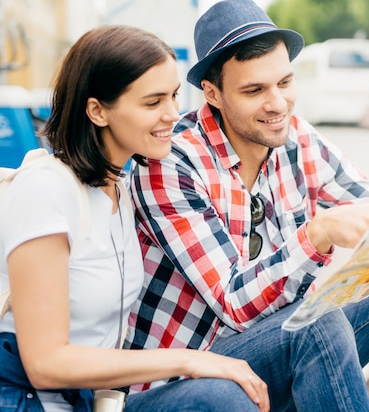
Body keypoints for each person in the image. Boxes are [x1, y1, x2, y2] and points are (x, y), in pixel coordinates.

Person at [126, 0, 369, 411]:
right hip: (182, 380)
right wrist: (317, 233)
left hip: (280, 353)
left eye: (284, 83)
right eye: (254, 90)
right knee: (315, 321)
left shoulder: (298, 138)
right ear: (212, 94)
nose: (278, 104)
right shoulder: (171, 163)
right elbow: (233, 305)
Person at [0, 25, 268, 412]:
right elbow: (46, 364)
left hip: (89, 401)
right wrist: (187, 360)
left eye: (174, 96)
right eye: (153, 102)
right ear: (97, 110)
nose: (173, 114)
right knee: (219, 395)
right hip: (26, 399)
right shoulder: (47, 190)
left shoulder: (120, 189)